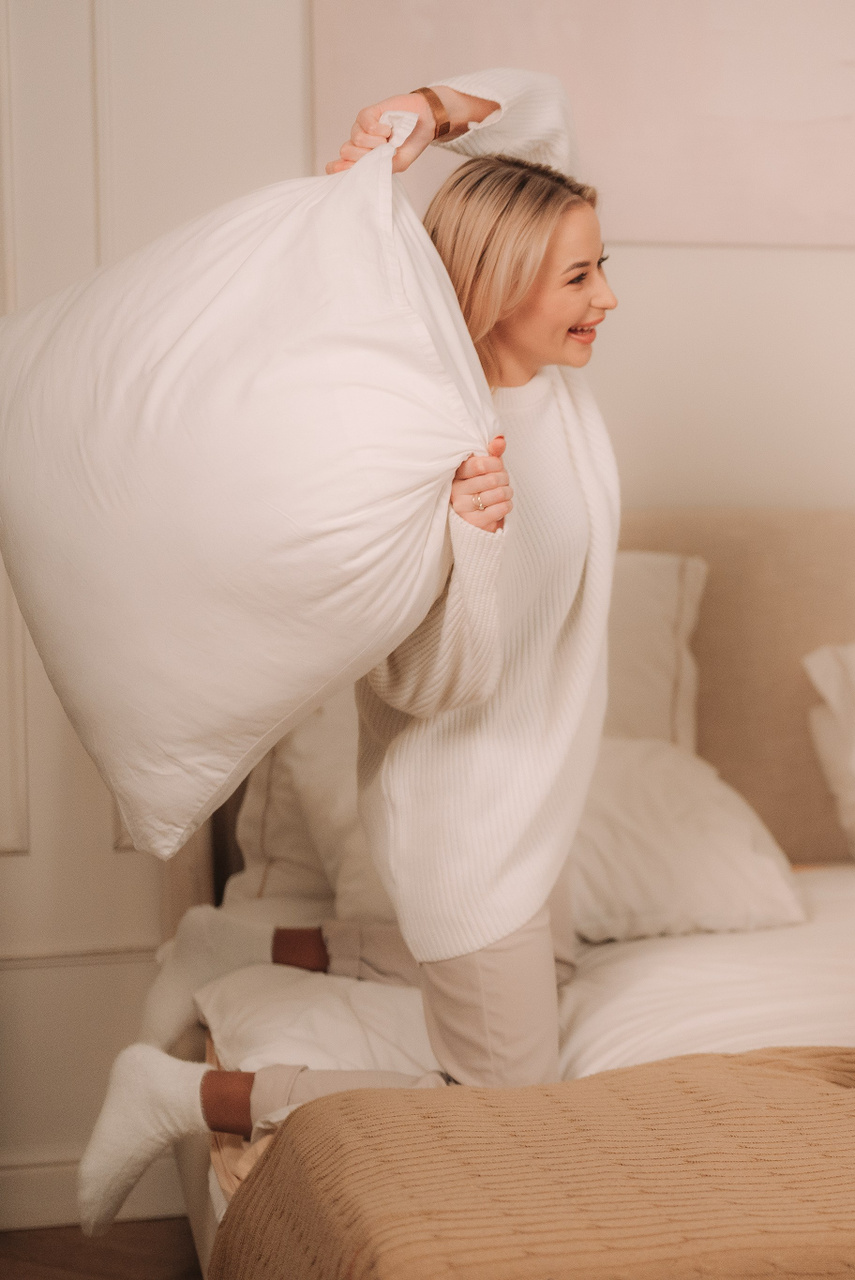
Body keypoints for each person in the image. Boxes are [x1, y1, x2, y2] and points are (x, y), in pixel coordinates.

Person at [75, 69, 620, 1235]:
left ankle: (236, 940)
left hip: (538, 798)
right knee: (508, 1108)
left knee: (561, 976)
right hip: (470, 824)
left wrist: (429, 108)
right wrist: (473, 546)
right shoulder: (438, 448)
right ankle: (188, 1091)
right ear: (499, 287)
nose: (607, 297)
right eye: (580, 277)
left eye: (602, 266)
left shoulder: (551, 387)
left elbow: (541, 115)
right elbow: (423, 683)